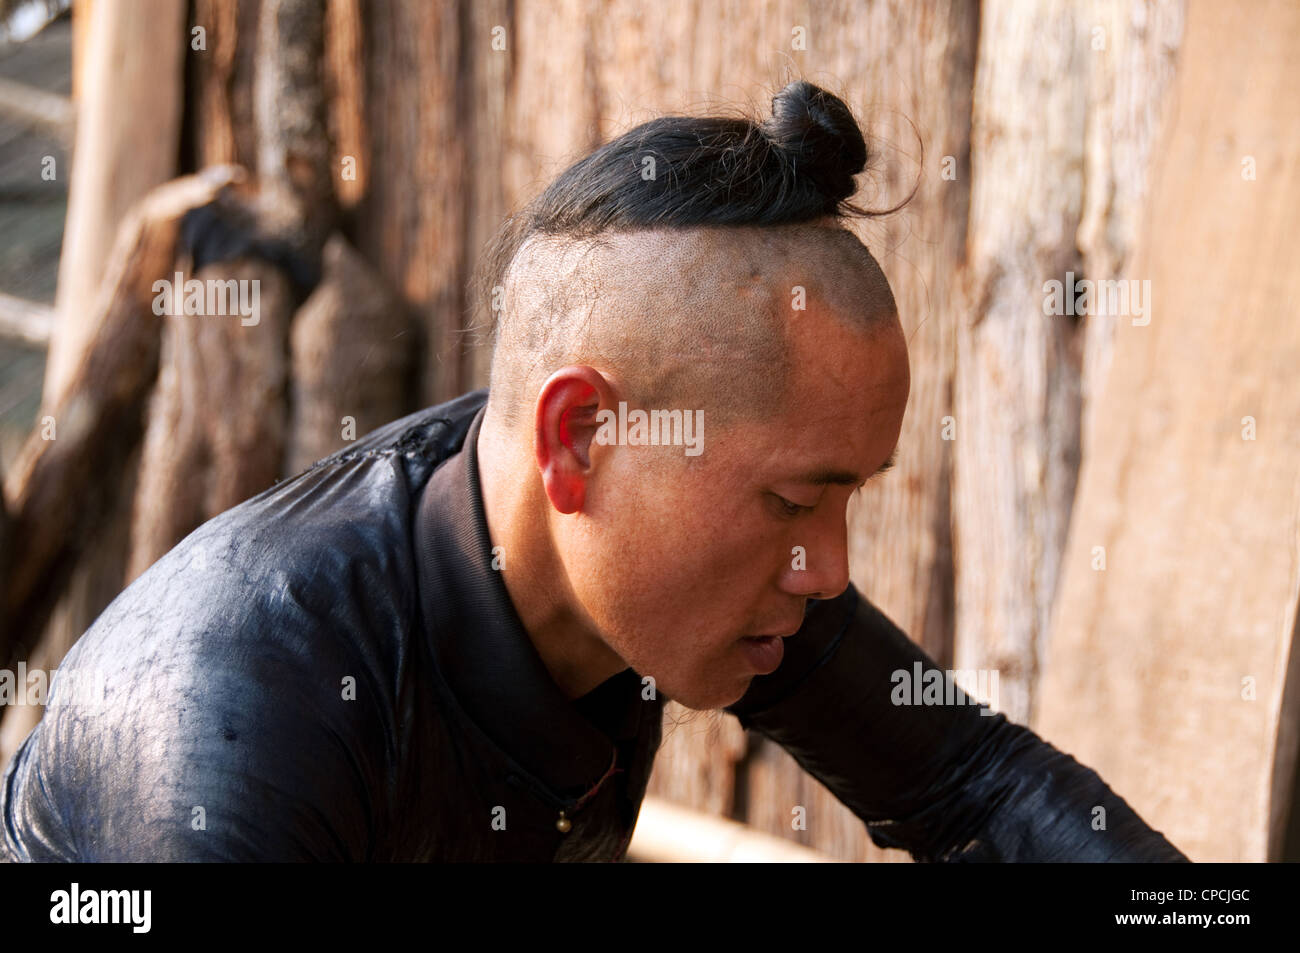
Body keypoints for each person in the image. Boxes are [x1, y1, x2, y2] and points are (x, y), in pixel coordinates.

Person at [0, 81, 1189, 862]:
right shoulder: (237, 731)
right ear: (579, 440)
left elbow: (974, 787)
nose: (827, 568)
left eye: (846, 498)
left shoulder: (658, 561)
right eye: (791, 500)